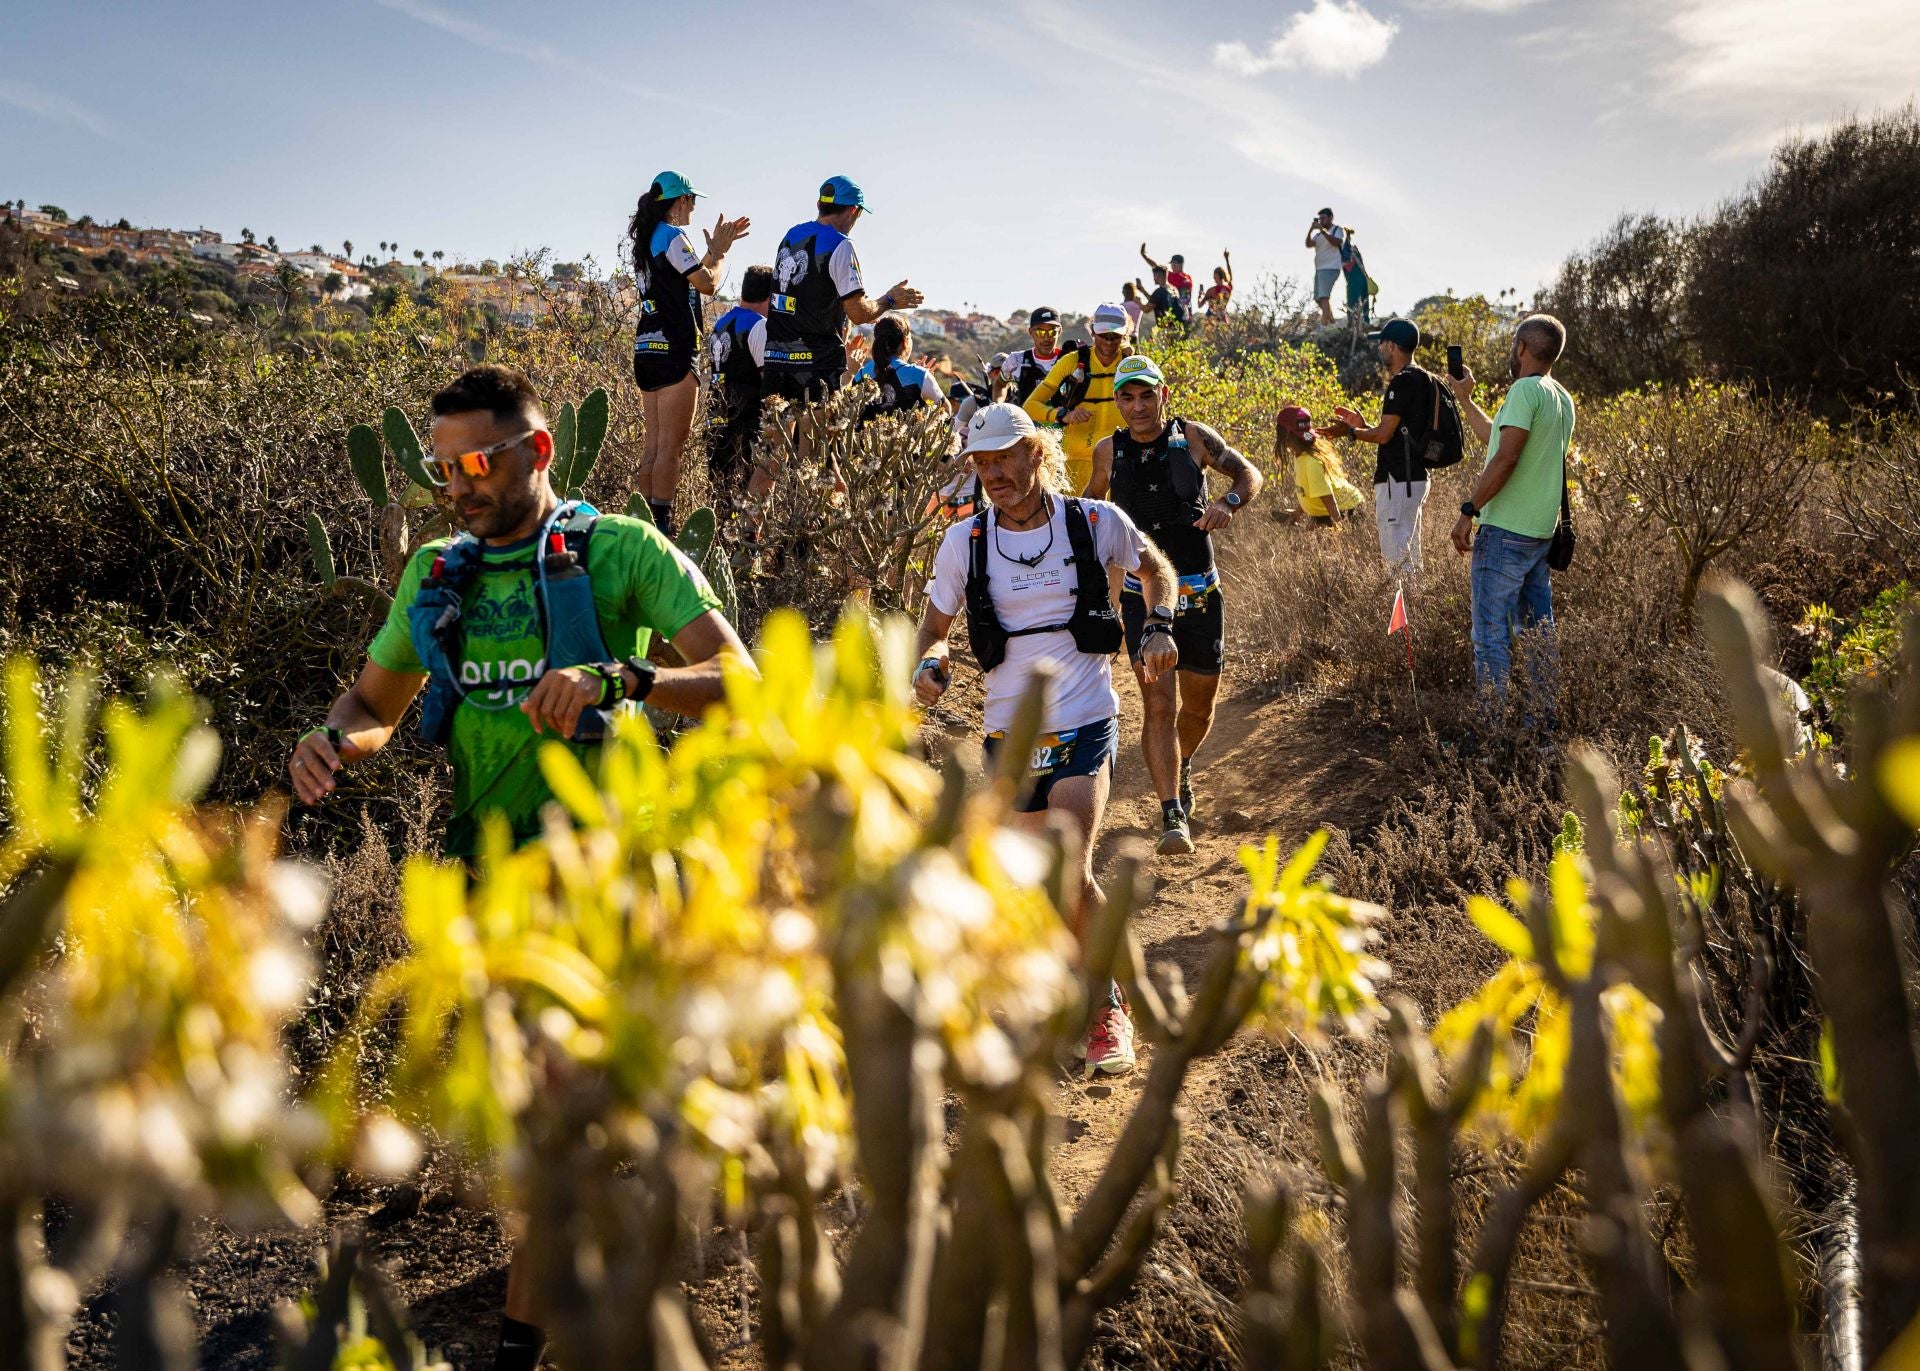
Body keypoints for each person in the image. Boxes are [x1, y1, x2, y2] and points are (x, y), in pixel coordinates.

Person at [284, 365, 756, 1371]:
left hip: (601, 876)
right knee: (538, 1113)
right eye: (441, 465)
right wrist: (333, 739)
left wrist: (629, 678)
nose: (457, 483)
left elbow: (749, 685)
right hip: (480, 884)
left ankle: (522, 1341)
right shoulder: (436, 575)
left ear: (538, 450)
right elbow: (374, 703)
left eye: (477, 461)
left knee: (547, 1113)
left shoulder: (622, 551)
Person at [913, 403, 1182, 1076]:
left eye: (1005, 456)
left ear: (1037, 453)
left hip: (1086, 716)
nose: (993, 473)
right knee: (1039, 887)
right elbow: (933, 627)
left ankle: (1105, 1008)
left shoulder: (1094, 522)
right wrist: (931, 664)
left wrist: (1160, 622)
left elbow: (1157, 569)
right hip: (1009, 731)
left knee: (1067, 861)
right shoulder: (964, 543)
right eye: (981, 462)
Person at [1093, 356, 1263, 852]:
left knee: (1199, 709)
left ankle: (1181, 764)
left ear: (1163, 394)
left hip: (1200, 591)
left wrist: (1227, 504)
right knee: (1160, 705)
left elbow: (1248, 473)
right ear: (1118, 400)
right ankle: (1172, 812)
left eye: (1147, 395)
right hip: (1141, 597)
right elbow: (1091, 511)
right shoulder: (1109, 451)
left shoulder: (1193, 438)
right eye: (1127, 396)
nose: (1138, 406)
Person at [1447, 314, 1577, 698]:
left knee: (1490, 639)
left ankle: (1492, 738)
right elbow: (1497, 440)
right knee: (1538, 637)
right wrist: (1465, 400)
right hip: (1539, 534)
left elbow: (1505, 459)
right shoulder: (1561, 398)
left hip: (1506, 534)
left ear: (1521, 347)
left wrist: (1468, 510)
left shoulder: (1523, 391)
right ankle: (1543, 732)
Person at [626, 170, 750, 535]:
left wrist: (710, 252)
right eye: (692, 200)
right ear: (680, 201)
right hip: (677, 348)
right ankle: (662, 528)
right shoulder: (674, 236)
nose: (694, 207)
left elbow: (687, 274)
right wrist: (721, 255)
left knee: (653, 445)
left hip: (646, 345)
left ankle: (641, 524)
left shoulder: (648, 239)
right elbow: (707, 283)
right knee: (671, 447)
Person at [763, 176, 924, 455]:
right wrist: (889, 301)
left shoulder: (791, 235)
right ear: (853, 211)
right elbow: (859, 312)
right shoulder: (841, 244)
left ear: (819, 205)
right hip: (816, 365)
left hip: (776, 358)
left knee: (771, 458)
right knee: (813, 460)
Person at [1324, 318, 1433, 582]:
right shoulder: (1424, 378)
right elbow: (1398, 433)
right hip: (1415, 477)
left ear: (1392, 346)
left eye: (1382, 343)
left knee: (1397, 559)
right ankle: (1415, 612)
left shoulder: (1402, 382)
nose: (1379, 348)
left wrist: (1349, 432)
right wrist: (1363, 426)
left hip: (1399, 480)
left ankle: (1404, 618)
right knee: (1411, 557)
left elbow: (1384, 436)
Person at [1022, 301, 1134, 497]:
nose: (1108, 341)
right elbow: (1030, 406)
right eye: (1103, 335)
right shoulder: (1073, 361)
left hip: (1123, 464)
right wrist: (1063, 415)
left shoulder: (1131, 365)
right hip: (1076, 464)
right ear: (1092, 331)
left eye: (1114, 336)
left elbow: (1156, 410)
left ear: (1124, 335)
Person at [705, 264, 772, 504]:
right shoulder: (760, 326)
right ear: (771, 295)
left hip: (716, 421)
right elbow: (769, 383)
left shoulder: (720, 324)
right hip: (746, 428)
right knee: (745, 498)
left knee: (719, 497)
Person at [1275, 405, 1364, 525]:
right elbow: (1308, 490)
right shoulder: (1301, 456)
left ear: (1285, 435)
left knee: (1324, 540)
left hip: (1348, 509)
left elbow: (1328, 498)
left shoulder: (1311, 462)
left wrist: (1340, 529)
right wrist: (1297, 513)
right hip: (1329, 511)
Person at [851, 314, 948, 424]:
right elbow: (946, 413)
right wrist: (926, 380)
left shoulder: (860, 374)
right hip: (909, 441)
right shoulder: (919, 376)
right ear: (905, 342)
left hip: (863, 441)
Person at [1003, 306, 1065, 407]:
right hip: (1026, 422)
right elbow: (1000, 384)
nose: (1046, 338)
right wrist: (997, 403)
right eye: (1040, 332)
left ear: (1060, 331)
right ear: (1031, 332)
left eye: (1052, 332)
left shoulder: (1071, 360)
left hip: (1062, 422)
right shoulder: (1016, 360)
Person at [1305, 208, 1347, 326]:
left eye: (1323, 218)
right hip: (1319, 269)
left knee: (1324, 296)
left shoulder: (1337, 230)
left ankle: (1325, 324)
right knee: (1318, 298)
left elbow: (1336, 242)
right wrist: (1311, 230)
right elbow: (1308, 244)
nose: (1321, 221)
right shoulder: (1318, 235)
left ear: (1330, 217)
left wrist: (1322, 231)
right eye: (1320, 219)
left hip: (1331, 267)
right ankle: (1331, 321)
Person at [1141, 243, 1193, 314]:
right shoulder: (1188, 277)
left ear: (1177, 264)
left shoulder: (1174, 276)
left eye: (1172, 263)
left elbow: (1155, 266)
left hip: (1176, 312)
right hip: (1186, 312)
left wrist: (1145, 256)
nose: (1171, 266)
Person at [1200, 251, 1234, 324]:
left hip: (1213, 317)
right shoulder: (1228, 288)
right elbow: (1230, 277)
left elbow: (1200, 305)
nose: (1213, 278)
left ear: (1219, 276)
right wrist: (1227, 260)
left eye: (1214, 276)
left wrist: (1200, 296)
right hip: (1223, 316)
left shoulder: (1211, 290)